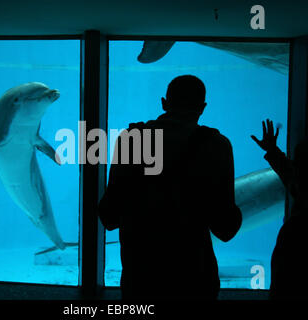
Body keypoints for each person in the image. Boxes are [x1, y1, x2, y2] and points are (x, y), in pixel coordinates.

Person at [98, 75, 242, 299]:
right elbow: (226, 228)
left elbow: (109, 216)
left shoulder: (132, 140)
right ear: (203, 108)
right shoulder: (217, 145)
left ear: (164, 103)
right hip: (194, 275)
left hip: (142, 273)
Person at [252, 119, 308, 299]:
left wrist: (273, 151)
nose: (294, 170)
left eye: (297, 165)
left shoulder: (298, 228)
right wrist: (272, 151)